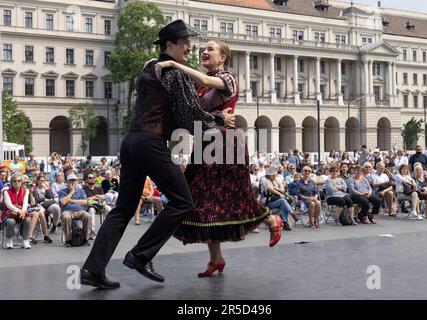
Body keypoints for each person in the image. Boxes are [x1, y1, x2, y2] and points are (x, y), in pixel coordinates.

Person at [80, 20, 236, 289]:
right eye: (184, 42)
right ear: (169, 45)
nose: (190, 47)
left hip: (131, 142)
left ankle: (93, 269)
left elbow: (174, 113)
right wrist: (220, 120)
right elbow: (188, 116)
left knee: (123, 209)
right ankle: (140, 256)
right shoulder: (176, 75)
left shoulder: (149, 66)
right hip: (151, 143)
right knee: (183, 202)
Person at [157, 39, 282, 277]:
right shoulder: (200, 88)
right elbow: (191, 108)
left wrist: (172, 63)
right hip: (205, 140)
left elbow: (204, 80)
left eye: (210, 49)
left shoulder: (228, 78)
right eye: (203, 49)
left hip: (225, 142)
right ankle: (216, 259)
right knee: (201, 198)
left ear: (222, 57)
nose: (204, 52)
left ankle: (270, 220)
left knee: (233, 194)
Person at [1, 173, 33, 249]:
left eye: (19, 181)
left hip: (21, 213)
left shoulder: (26, 191)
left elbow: (25, 203)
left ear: (21, 182)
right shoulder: (6, 191)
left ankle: (25, 240)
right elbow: (9, 205)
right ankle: (9, 240)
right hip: (10, 213)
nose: (17, 182)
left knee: (28, 220)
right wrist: (20, 211)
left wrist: (22, 211)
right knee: (10, 222)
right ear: (12, 182)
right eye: (15, 181)